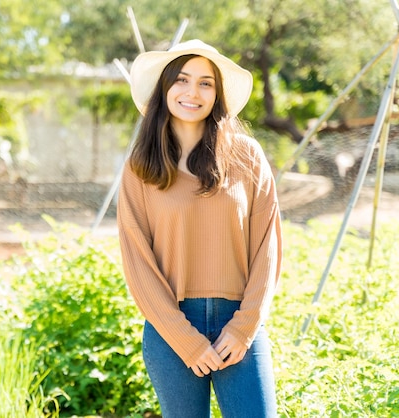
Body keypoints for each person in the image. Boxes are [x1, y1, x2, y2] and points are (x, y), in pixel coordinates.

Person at [117, 39, 283, 417]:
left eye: (206, 83)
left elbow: (267, 251)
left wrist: (243, 328)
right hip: (171, 329)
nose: (193, 92)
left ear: (217, 94)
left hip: (239, 326)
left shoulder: (247, 156)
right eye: (182, 80)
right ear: (164, 89)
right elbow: (138, 264)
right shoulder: (139, 169)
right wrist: (185, 340)